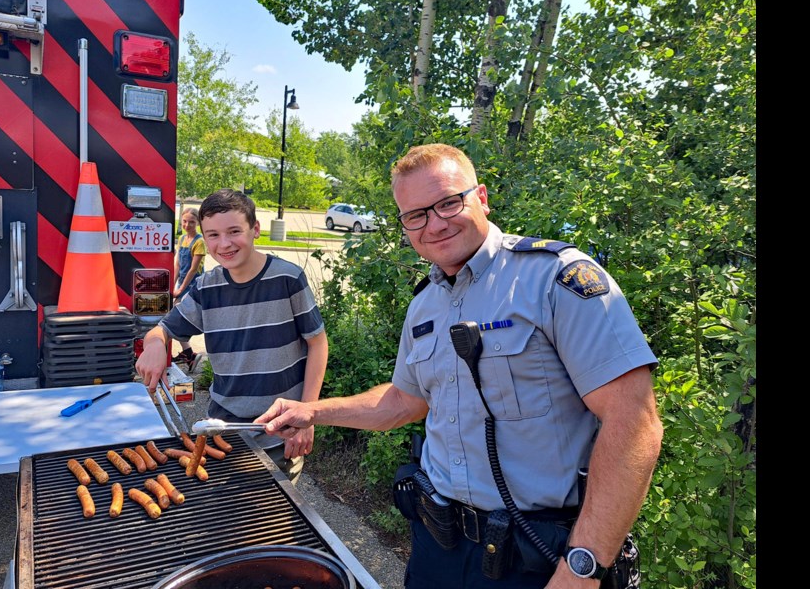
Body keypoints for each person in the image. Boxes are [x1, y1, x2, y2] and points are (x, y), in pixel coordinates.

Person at [254, 144, 663, 587]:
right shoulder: (425, 305)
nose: (435, 223)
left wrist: (582, 568)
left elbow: (634, 423)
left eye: (449, 202)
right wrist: (314, 411)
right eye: (416, 215)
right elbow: (404, 400)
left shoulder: (553, 280)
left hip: (539, 557)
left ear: (481, 197)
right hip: (438, 546)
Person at [136, 188, 328, 484]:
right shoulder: (206, 287)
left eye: (234, 231)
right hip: (222, 430)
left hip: (279, 433)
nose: (223, 244)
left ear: (255, 230)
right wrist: (154, 345)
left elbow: (317, 344)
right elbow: (161, 330)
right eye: (212, 235)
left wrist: (308, 415)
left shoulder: (287, 279)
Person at [170, 207, 206, 370]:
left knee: (179, 317)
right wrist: (173, 285)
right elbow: (177, 265)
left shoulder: (199, 242)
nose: (187, 225)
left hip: (193, 284)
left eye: (192, 222)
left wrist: (181, 290)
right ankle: (188, 353)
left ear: (198, 223)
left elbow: (193, 269)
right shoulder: (182, 238)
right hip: (182, 283)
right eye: (184, 221)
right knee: (174, 316)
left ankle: (189, 353)